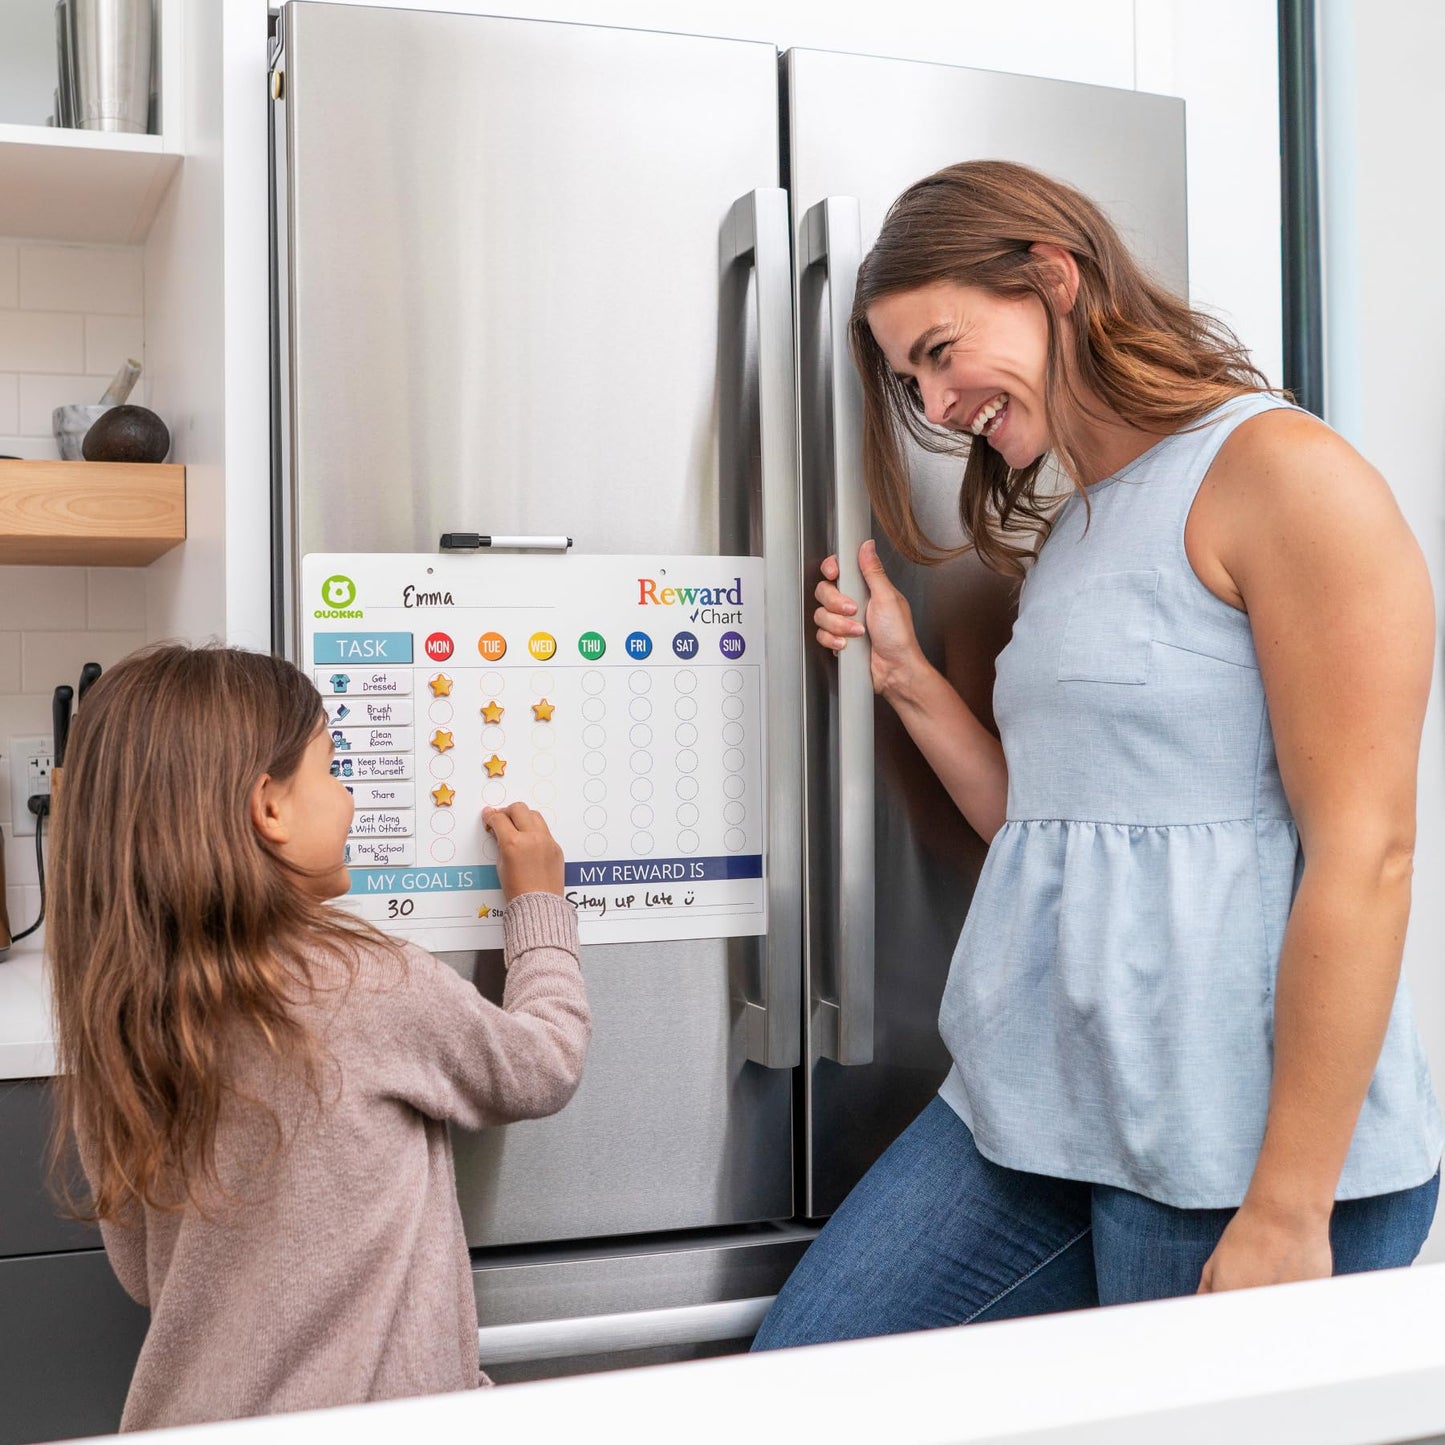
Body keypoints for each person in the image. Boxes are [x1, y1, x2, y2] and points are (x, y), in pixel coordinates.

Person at [753, 160, 1443, 1348]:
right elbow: (1048, 826)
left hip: (1225, 1145)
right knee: (799, 1380)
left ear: (1051, 279)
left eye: (938, 348)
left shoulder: (1282, 475)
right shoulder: (1074, 520)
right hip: (1034, 1104)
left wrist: (1287, 1203)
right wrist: (906, 678)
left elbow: (1364, 853)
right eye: (908, 375)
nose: (931, 399)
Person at [46, 644, 590, 1429]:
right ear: (269, 808)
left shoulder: (120, 1017)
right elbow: (543, 1063)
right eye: (332, 769)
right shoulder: (367, 981)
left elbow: (143, 1273)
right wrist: (538, 904)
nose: (349, 798)